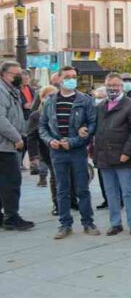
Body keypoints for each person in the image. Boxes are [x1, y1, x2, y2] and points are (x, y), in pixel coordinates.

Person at [39, 66, 99, 239]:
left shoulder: (85, 100)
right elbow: (42, 126)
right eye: (67, 77)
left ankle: (88, 222)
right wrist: (50, 140)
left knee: (82, 189)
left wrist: (74, 141)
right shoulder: (50, 100)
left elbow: (92, 124)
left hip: (77, 150)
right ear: (59, 79)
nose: (71, 79)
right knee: (62, 189)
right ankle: (65, 224)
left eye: (74, 76)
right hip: (57, 151)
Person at [94, 72, 131, 236]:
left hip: (123, 156)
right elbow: (94, 127)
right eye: (109, 86)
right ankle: (115, 223)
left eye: (116, 85)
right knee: (110, 192)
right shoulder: (100, 106)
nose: (112, 89)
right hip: (104, 156)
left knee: (127, 192)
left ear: (122, 86)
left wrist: (127, 152)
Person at [0, 61, 35, 231]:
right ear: (4, 74)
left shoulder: (11, 90)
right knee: (11, 181)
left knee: (5, 181)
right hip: (5, 145)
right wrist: (16, 137)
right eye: (15, 74)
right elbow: (1, 119)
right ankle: (11, 217)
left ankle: (5, 215)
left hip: (6, 144)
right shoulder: (1, 91)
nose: (19, 77)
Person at [26, 86, 54, 191]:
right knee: (55, 177)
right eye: (48, 96)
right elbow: (31, 137)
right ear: (42, 98)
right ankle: (57, 204)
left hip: (62, 150)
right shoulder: (36, 115)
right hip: (45, 149)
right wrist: (33, 157)